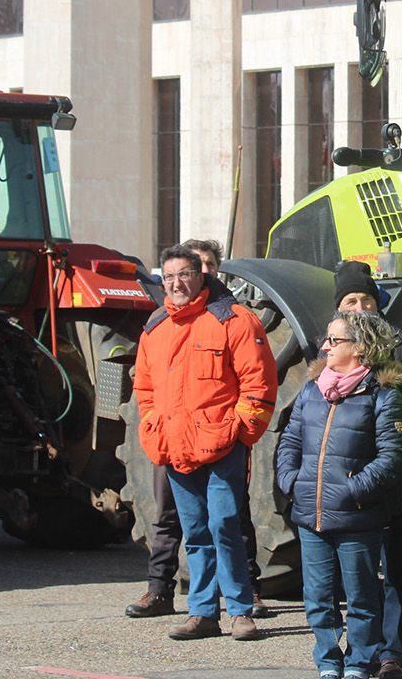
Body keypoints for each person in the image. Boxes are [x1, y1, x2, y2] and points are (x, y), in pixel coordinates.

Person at [132, 244, 277, 642]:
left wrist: (241, 432)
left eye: (184, 275)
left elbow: (259, 383)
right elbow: (144, 388)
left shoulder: (235, 321)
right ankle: (203, 613)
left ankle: (241, 611)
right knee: (195, 533)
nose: (177, 283)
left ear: (201, 276)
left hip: (222, 447)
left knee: (226, 525)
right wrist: (152, 427)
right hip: (175, 449)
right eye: (169, 277)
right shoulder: (156, 328)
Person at [276, 309, 402, 679]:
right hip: (311, 515)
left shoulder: (382, 396)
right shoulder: (310, 391)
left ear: (361, 347)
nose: (326, 346)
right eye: (327, 339)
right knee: (318, 599)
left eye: (335, 340)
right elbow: (290, 440)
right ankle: (329, 662)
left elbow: (392, 456)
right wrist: (291, 480)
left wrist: (353, 490)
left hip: (356, 517)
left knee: (363, 598)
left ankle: (359, 664)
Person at [332, 260, 402, 679]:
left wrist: (390, 456)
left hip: (392, 478)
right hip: (348, 481)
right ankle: (361, 649)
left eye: (367, 299)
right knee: (355, 573)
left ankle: (393, 654)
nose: (360, 308)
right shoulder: (331, 352)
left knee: (396, 568)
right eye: (351, 300)